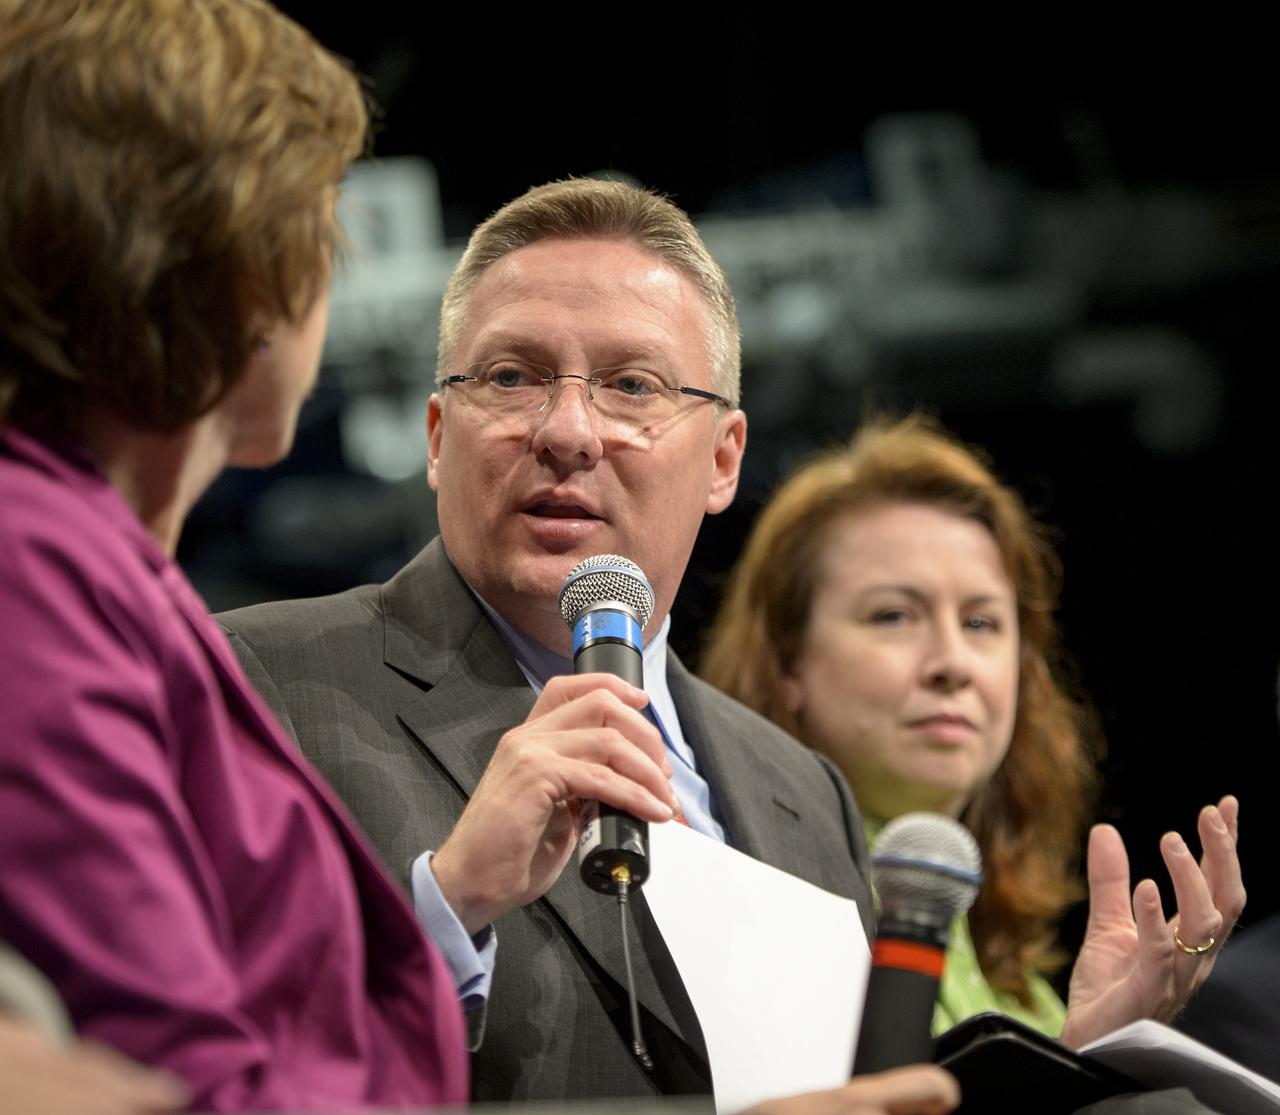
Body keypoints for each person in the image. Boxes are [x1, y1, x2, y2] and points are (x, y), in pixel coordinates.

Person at [219, 177, 960, 1113]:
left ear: (724, 458)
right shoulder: (260, 686)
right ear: (440, 436)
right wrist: (447, 905)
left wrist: (1080, 1064)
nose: (568, 432)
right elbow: (195, 1061)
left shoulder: (806, 793)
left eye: (632, 386)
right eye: (513, 377)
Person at [0, 1, 467, 1109]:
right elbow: (183, 1077)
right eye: (322, 231)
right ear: (245, 272)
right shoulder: (33, 562)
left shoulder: (94, 562)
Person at [701, 416, 1245, 1049]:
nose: (952, 664)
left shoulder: (1018, 987)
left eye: (982, 622)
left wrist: (1101, 1049)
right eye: (894, 615)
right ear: (788, 662)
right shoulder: (742, 919)